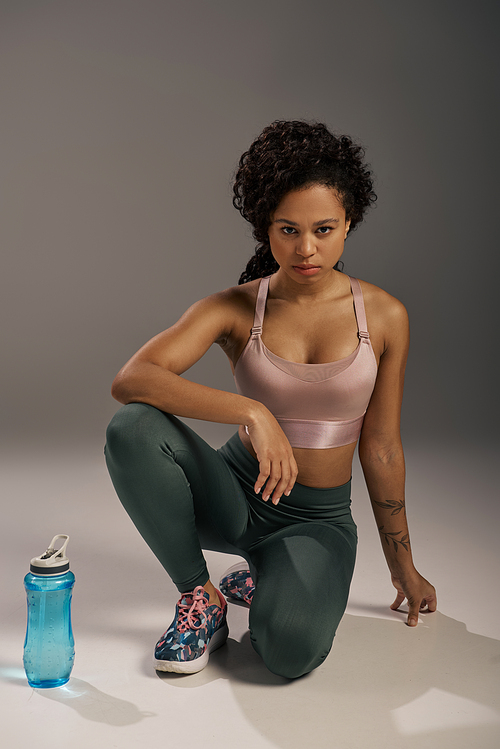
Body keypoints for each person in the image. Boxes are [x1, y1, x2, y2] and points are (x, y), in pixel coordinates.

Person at [105, 120, 437, 680]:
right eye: (288, 230)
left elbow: (380, 447)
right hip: (234, 494)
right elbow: (132, 379)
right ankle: (201, 597)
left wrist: (402, 564)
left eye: (324, 230)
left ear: (349, 223)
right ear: (265, 227)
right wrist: (250, 411)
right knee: (133, 428)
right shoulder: (235, 308)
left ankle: (271, 572)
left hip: (316, 519)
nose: (306, 249)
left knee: (289, 651)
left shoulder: (383, 316)